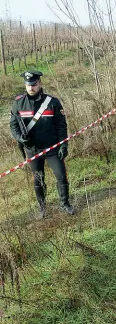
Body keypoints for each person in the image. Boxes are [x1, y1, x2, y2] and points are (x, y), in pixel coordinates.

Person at [10, 70, 74, 218]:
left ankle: (65, 204)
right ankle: (42, 208)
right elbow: (13, 126)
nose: (31, 87)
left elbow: (61, 125)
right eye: (28, 85)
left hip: (52, 148)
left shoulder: (52, 102)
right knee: (38, 179)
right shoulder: (18, 103)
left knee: (61, 176)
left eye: (34, 84)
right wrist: (20, 138)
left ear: (39, 83)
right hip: (32, 149)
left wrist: (64, 145)